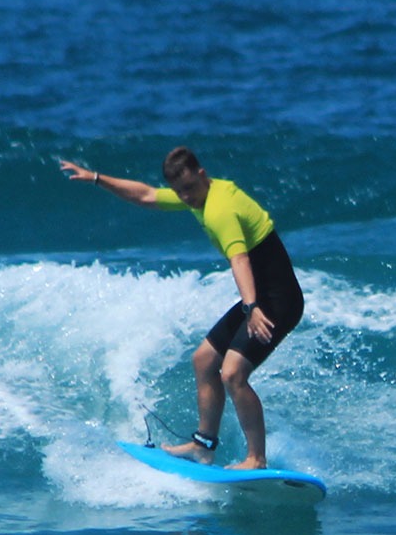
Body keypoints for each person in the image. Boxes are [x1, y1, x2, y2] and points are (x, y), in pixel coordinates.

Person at [58, 148, 305, 469]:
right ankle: (203, 446)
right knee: (204, 360)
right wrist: (96, 178)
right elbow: (146, 195)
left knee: (232, 374)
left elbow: (240, 259)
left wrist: (252, 306)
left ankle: (256, 458)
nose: (185, 198)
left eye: (189, 188)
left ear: (201, 174)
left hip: (277, 300)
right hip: (262, 296)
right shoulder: (202, 194)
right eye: (179, 192)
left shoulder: (219, 210)